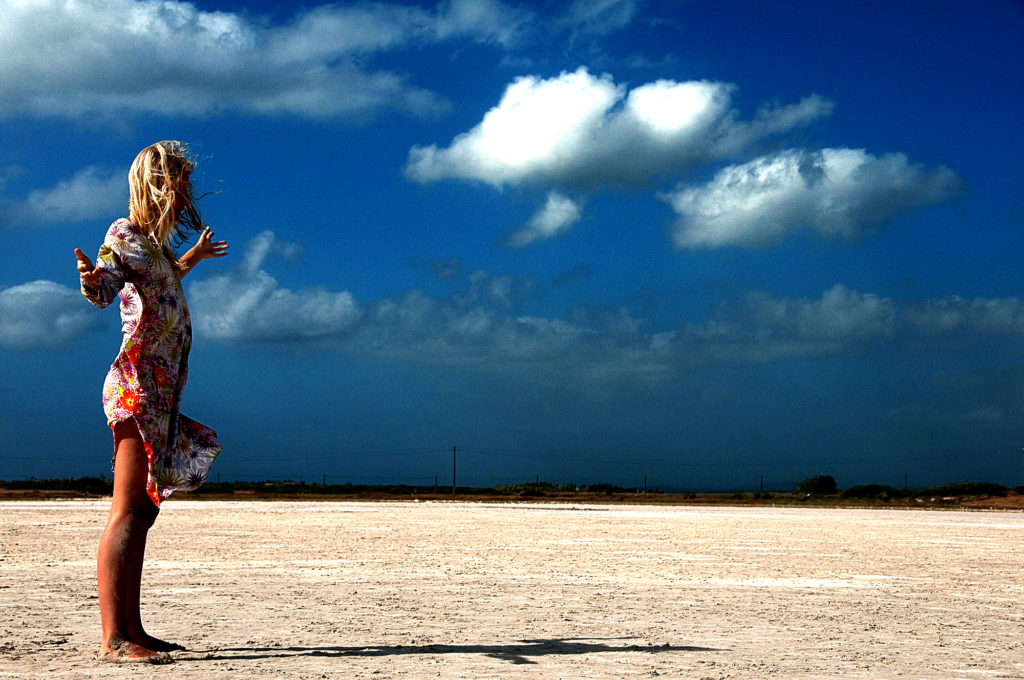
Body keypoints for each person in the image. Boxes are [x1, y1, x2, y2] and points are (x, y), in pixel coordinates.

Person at [75, 141, 228, 664]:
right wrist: (93, 281)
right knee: (127, 510)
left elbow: (160, 285)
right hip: (137, 386)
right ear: (158, 184)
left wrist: (192, 258)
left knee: (145, 510)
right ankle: (115, 639)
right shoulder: (123, 233)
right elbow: (106, 286)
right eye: (179, 183)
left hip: (161, 393)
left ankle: (134, 628)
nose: (186, 194)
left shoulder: (156, 249)